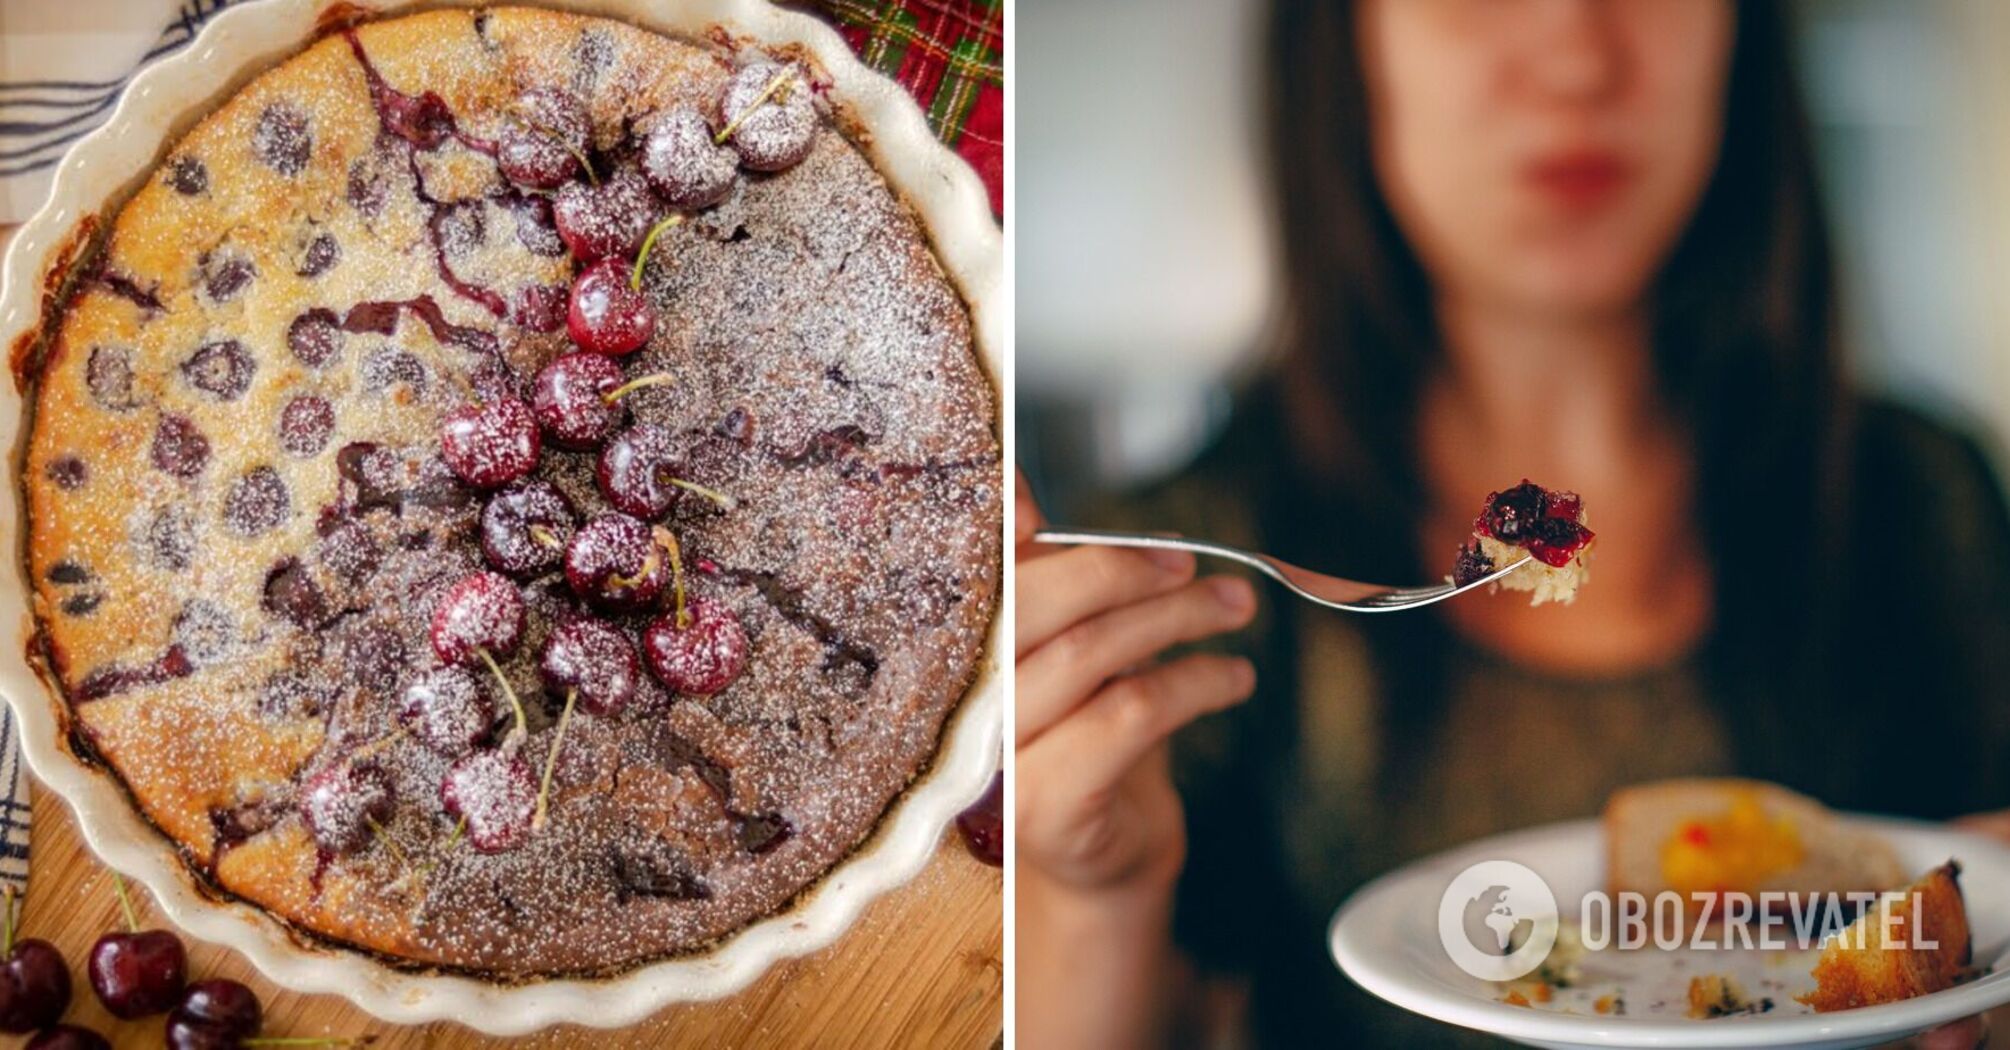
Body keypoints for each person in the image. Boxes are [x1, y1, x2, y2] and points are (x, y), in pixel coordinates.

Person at [1014, 1, 2010, 1046]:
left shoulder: (1927, 495)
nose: (1579, 56)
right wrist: (1096, 893)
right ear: (1345, 41)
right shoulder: (1177, 582)